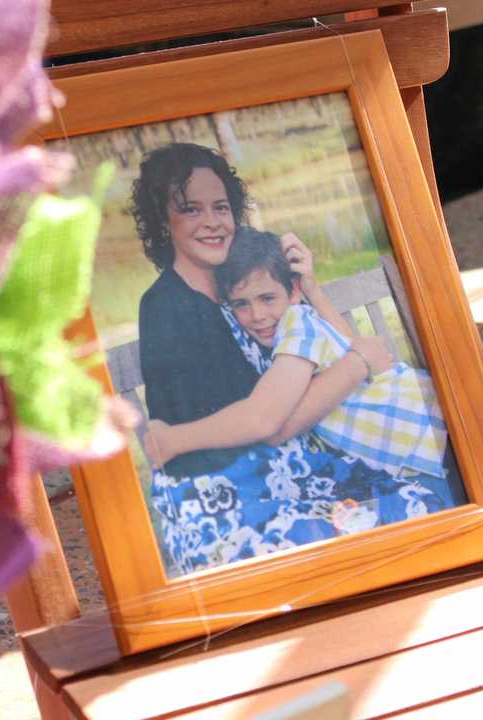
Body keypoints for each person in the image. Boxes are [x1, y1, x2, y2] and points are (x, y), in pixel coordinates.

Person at [130, 142, 461, 575]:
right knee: (415, 505)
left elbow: (314, 343)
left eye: (221, 207)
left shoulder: (236, 288)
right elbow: (268, 422)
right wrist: (357, 363)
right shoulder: (169, 307)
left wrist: (315, 292)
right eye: (191, 209)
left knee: (432, 489)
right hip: (227, 502)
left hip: (290, 473)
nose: (212, 222)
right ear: (162, 220)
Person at [148, 226, 451, 480]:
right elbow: (355, 350)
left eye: (267, 298)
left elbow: (269, 423)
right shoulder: (290, 327)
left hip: (427, 436)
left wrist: (174, 440)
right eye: (241, 304)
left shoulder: (296, 322)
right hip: (425, 431)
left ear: (293, 292)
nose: (257, 315)